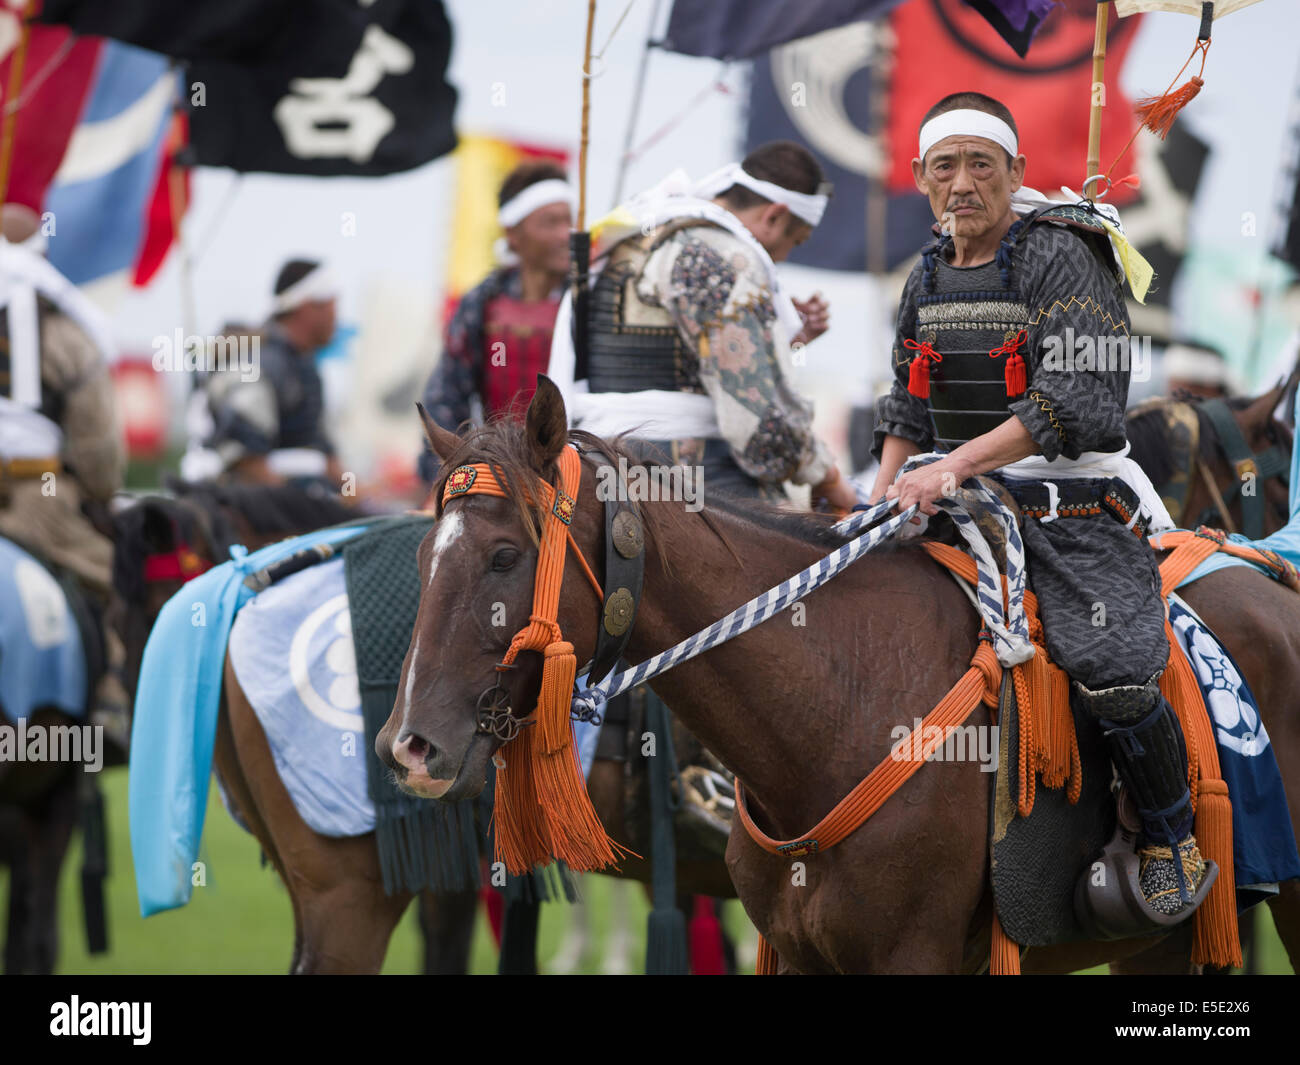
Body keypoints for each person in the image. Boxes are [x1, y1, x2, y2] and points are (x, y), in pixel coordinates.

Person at [870, 92, 1213, 920]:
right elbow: (906, 405)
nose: (962, 183)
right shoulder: (924, 272)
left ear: (1016, 172)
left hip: (1076, 508)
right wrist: (881, 499)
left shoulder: (1065, 250)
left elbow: (1079, 401)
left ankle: (1170, 830)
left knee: (1112, 662)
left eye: (980, 164)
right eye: (943, 165)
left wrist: (948, 468)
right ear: (920, 178)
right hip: (956, 500)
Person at [550, 140, 853, 509]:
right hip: (688, 490)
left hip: (597, 478)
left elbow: (670, 360)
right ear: (774, 216)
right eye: (795, 240)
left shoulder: (632, 236)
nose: (785, 256)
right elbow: (758, 430)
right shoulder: (720, 256)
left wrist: (781, 342)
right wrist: (830, 479)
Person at [0, 203, 127, 748]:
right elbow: (99, 456)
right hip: (37, 500)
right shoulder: (65, 334)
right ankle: (113, 705)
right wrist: (96, 492)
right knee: (117, 582)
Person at [417, 161, 573, 484]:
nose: (566, 234)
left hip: (575, 472)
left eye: (569, 221)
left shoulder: (589, 302)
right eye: (550, 223)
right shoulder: (481, 305)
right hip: (500, 475)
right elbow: (445, 398)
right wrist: (444, 476)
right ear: (513, 234)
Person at [185, 259, 343, 490]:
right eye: (332, 305)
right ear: (308, 306)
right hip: (242, 506)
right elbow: (246, 463)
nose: (336, 316)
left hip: (287, 501)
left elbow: (326, 459)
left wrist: (363, 497)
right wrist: (309, 505)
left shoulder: (304, 367)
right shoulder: (256, 363)